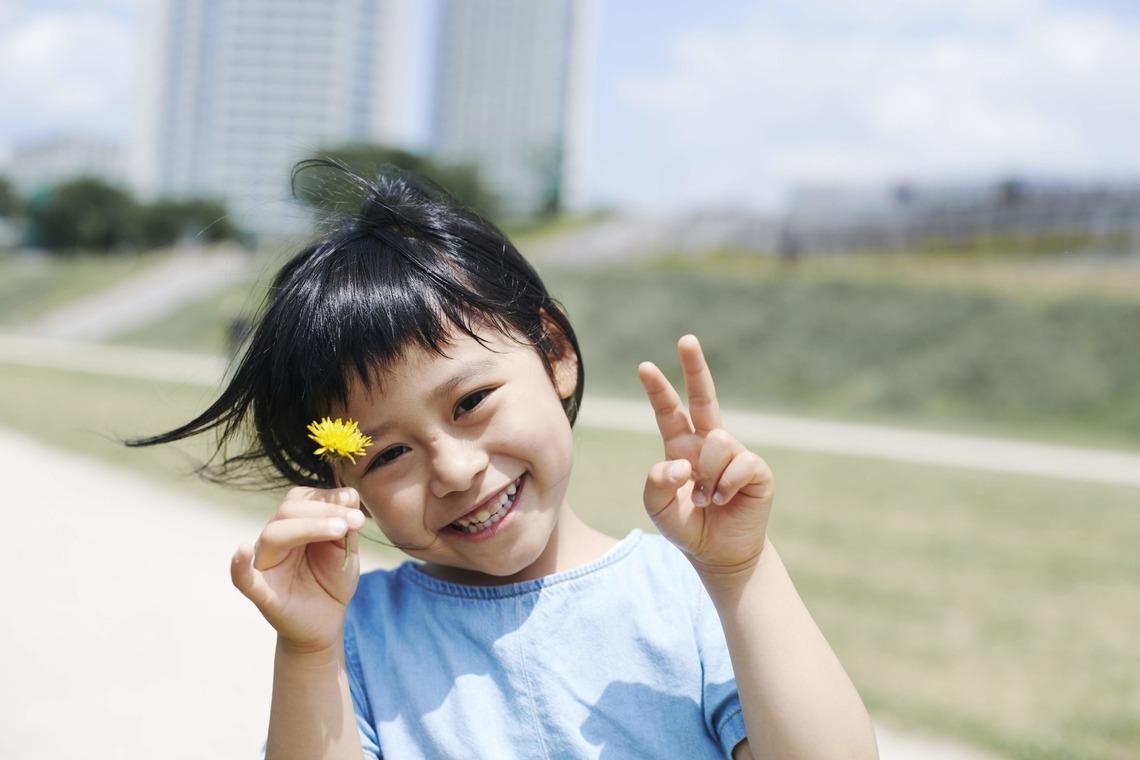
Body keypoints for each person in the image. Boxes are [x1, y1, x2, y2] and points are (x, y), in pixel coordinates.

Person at [130, 162, 878, 760]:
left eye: (470, 402)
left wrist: (744, 574)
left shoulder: (687, 598)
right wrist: (305, 650)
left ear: (554, 353)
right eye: (387, 451)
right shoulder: (354, 637)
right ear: (342, 477)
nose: (453, 470)